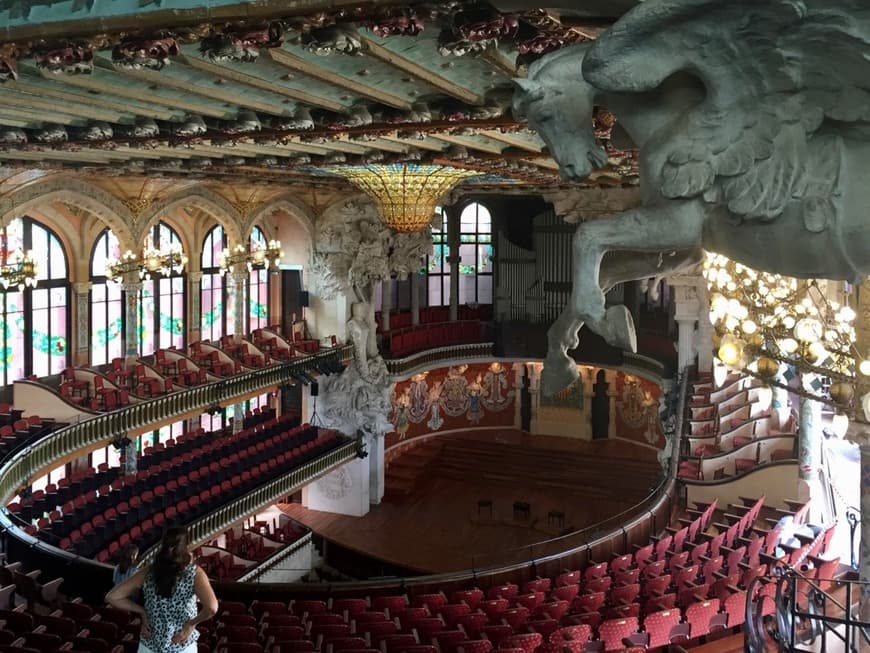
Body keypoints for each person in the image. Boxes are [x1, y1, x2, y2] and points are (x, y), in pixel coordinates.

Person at [106, 527, 218, 653]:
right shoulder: (194, 573)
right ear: (185, 546)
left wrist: (142, 611)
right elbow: (212, 608)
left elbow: (112, 597)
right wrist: (191, 624)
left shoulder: (148, 572)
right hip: (181, 645)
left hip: (150, 644)